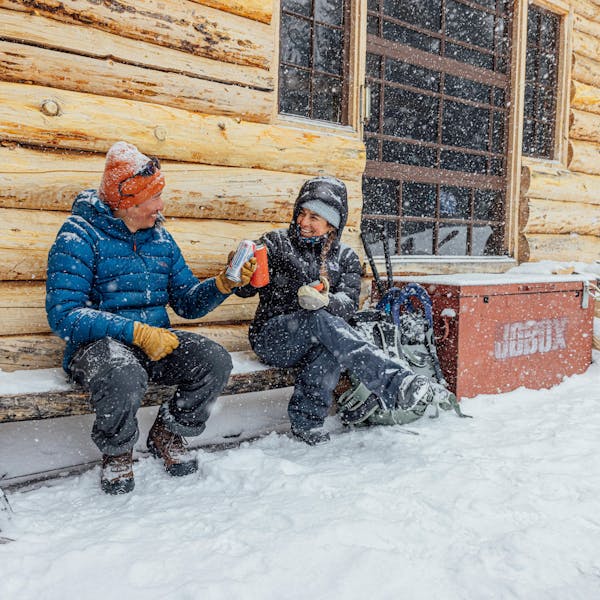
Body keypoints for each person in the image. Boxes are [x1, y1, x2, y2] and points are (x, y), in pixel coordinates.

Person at [46, 141, 256, 494]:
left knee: (214, 360)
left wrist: (223, 284)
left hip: (153, 344)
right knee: (121, 371)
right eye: (152, 199)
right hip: (96, 350)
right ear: (125, 203)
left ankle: (168, 433)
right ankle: (117, 453)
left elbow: (187, 303)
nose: (160, 206)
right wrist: (135, 331)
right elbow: (65, 315)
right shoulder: (78, 237)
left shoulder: (160, 238)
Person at [236, 176, 452, 445]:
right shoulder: (277, 244)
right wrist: (242, 274)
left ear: (332, 223)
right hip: (274, 338)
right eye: (301, 213)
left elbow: (348, 305)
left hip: (317, 339)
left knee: (329, 346)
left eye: (314, 217)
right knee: (317, 321)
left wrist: (326, 301)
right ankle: (394, 382)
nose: (304, 222)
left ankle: (308, 423)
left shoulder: (346, 258)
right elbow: (245, 288)